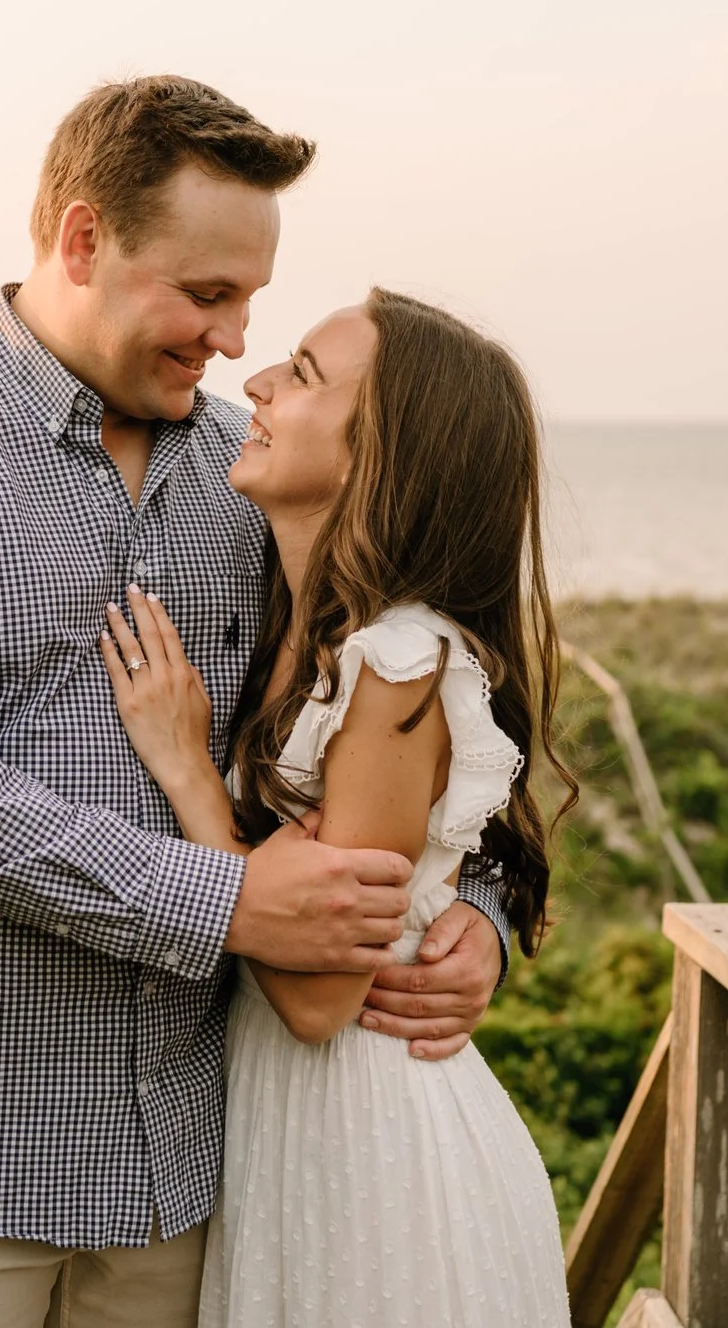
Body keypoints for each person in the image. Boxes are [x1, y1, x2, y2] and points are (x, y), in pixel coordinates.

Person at [0, 78, 516, 1327]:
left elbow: (415, 708)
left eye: (253, 303)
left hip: (192, 1148)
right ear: (82, 239)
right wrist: (228, 901)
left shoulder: (253, 474)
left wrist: (464, 910)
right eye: (206, 295)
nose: (233, 342)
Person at [99, 287, 576, 1326]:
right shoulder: (302, 622)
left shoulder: (395, 664)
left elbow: (319, 1001)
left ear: (377, 458)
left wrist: (189, 776)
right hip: (287, 1127)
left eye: (303, 373)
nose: (255, 381)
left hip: (372, 1140)